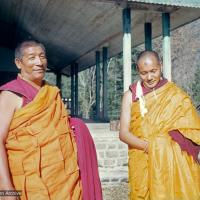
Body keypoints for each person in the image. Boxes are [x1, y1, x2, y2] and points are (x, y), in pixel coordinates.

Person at [0, 40, 102, 200]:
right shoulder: (10, 95)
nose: (39, 62)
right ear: (18, 63)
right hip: (29, 184)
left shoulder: (52, 92)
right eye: (32, 57)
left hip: (65, 181)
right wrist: (6, 190)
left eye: (42, 57)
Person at [119, 50, 200, 200]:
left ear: (160, 66)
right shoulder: (130, 95)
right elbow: (123, 133)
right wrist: (149, 147)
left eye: (153, 71)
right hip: (142, 158)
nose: (149, 77)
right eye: (144, 73)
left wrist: (164, 146)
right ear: (138, 71)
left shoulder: (174, 93)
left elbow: (192, 128)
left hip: (172, 164)